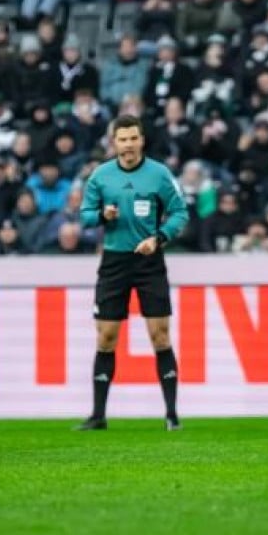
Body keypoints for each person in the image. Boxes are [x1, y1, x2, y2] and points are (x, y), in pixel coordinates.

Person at [76, 114, 189, 431]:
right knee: (107, 337)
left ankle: (171, 415)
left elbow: (180, 212)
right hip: (114, 261)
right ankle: (98, 415)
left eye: (133, 138)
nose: (127, 145)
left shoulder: (159, 174)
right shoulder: (101, 176)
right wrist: (102, 214)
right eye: (122, 139)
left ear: (142, 141)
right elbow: (84, 216)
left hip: (150, 262)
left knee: (160, 335)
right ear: (114, 142)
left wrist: (160, 238)